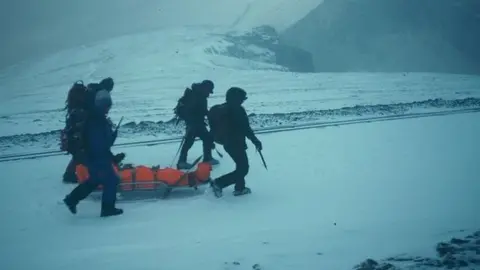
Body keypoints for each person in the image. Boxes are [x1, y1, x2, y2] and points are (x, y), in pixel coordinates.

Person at [63, 89, 123, 217]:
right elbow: (99, 143)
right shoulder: (97, 120)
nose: (109, 109)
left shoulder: (96, 117)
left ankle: (71, 199)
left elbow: (102, 141)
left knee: (94, 180)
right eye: (108, 106)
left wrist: (112, 136)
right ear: (103, 105)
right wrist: (107, 157)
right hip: (98, 158)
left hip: (93, 157)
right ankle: (108, 209)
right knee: (111, 180)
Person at [208, 87, 262, 197]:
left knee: (240, 166)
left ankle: (240, 188)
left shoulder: (222, 109)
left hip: (227, 143)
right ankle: (219, 183)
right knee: (243, 169)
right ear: (236, 99)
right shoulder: (238, 110)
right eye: (242, 99)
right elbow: (246, 128)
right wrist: (255, 141)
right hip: (236, 143)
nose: (243, 101)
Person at [174, 80, 219, 169]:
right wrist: (192, 122)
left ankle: (207, 158)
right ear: (205, 88)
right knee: (189, 142)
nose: (209, 94)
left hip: (197, 123)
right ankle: (182, 162)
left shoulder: (199, 95)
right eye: (209, 91)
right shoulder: (195, 96)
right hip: (193, 124)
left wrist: (208, 114)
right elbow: (191, 111)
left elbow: (201, 110)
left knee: (207, 139)